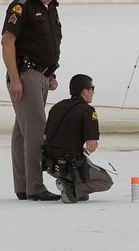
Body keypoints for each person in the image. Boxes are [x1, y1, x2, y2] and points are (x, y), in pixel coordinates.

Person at [1, 0, 63, 201]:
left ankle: (23, 186)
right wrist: (15, 78)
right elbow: (7, 41)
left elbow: (47, 43)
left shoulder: (51, 8)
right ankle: (35, 187)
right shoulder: (22, 5)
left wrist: (51, 74)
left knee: (22, 133)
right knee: (36, 131)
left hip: (41, 76)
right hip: (25, 75)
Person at [42, 74, 113, 204]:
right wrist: (85, 151)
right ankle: (72, 189)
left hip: (50, 165)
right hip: (69, 165)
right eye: (92, 88)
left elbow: (45, 137)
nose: (93, 92)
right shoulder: (87, 111)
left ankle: (76, 189)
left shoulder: (57, 107)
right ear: (85, 91)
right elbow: (92, 145)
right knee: (106, 181)